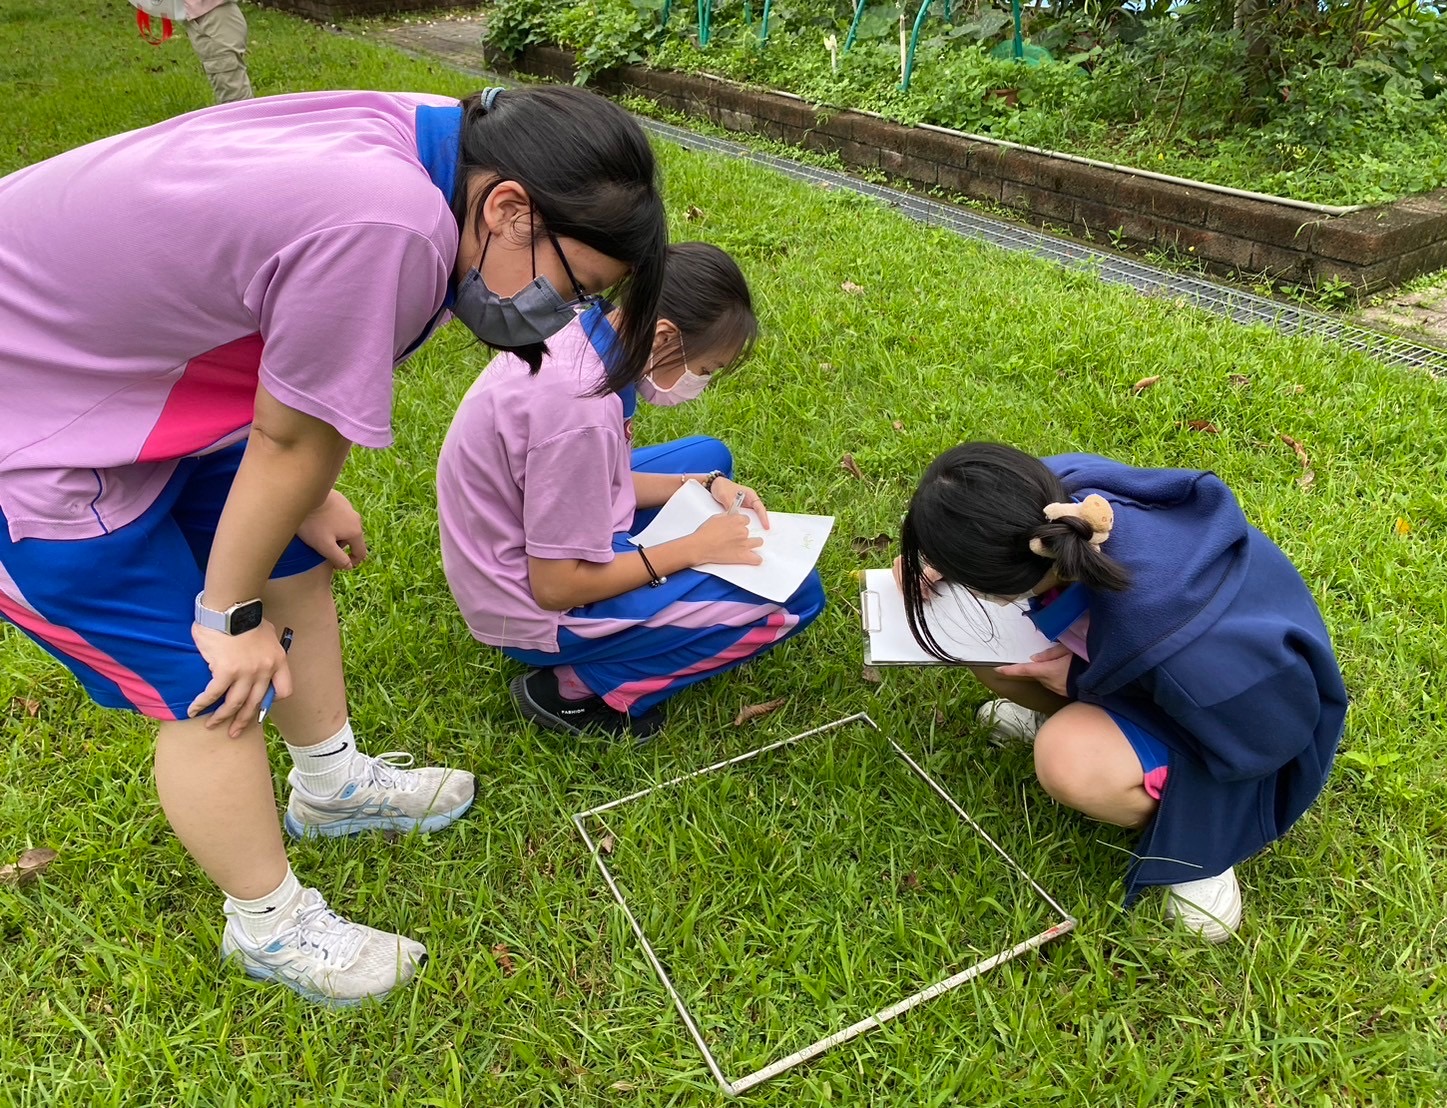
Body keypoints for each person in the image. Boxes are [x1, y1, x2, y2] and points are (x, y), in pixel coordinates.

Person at [0, 85, 666, 1004]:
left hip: (136, 375)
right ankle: (268, 926)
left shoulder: (446, 143)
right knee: (207, 687)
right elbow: (291, 434)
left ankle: (330, 784)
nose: (555, 316)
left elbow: (281, 351)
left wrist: (301, 490)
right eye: (571, 285)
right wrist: (226, 614)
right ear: (510, 206)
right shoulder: (393, 221)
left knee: (294, 565)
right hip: (34, 429)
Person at [895, 444, 1345, 941]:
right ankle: (1093, 719)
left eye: (969, 577)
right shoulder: (1059, 503)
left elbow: (1271, 738)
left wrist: (1078, 682)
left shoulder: (1175, 643)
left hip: (1245, 721)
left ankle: (1203, 849)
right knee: (979, 641)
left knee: (1068, 760)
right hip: (1165, 669)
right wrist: (934, 564)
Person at [437, 242, 825, 739]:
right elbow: (556, 587)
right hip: (528, 603)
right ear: (664, 336)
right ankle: (578, 689)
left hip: (513, 530)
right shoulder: (582, 414)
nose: (698, 383)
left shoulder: (588, 330)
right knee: (797, 597)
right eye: (703, 370)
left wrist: (701, 484)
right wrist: (691, 549)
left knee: (709, 458)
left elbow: (597, 477)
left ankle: (677, 526)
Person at [184, 1, 252, 104]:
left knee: (231, 74)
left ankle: (245, 115)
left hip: (214, 10)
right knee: (232, 87)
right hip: (208, 12)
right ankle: (242, 117)